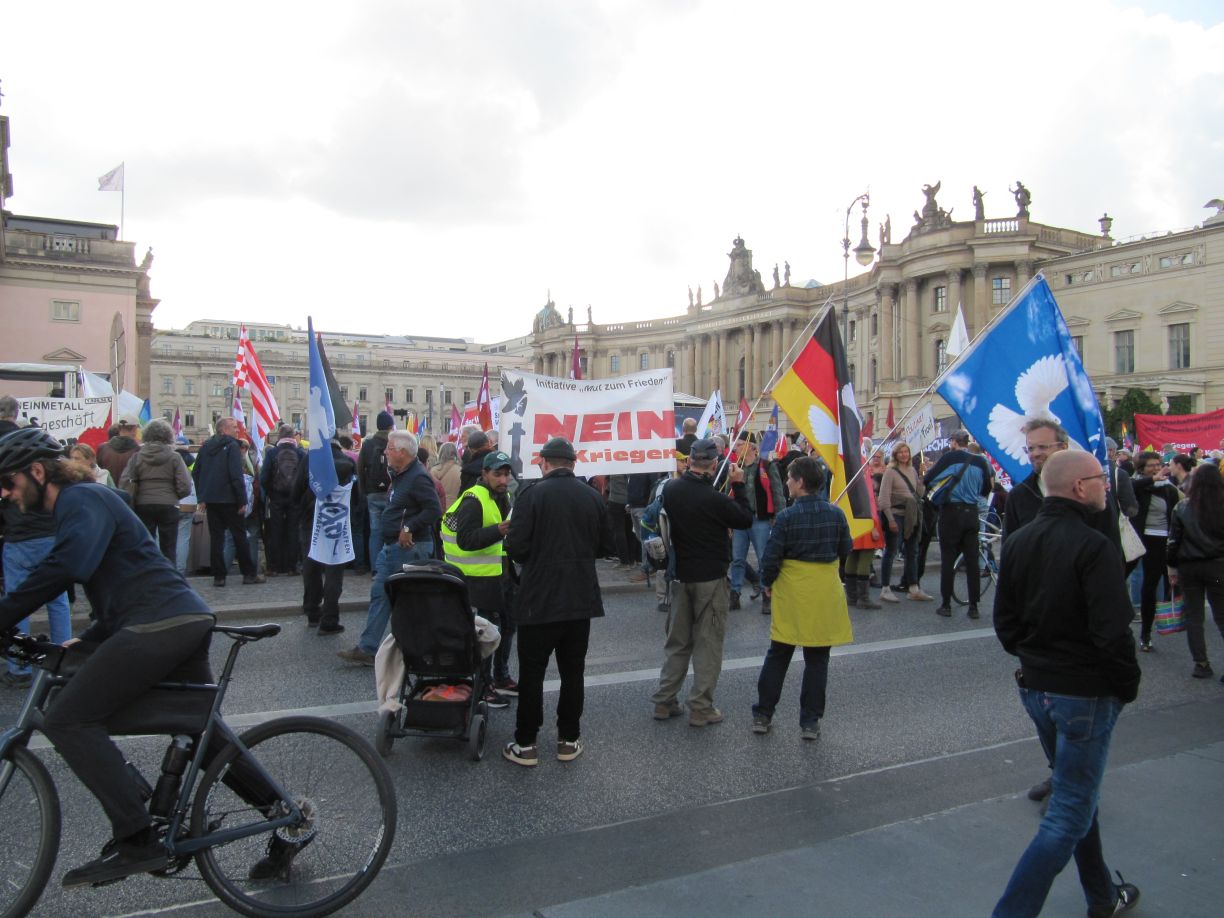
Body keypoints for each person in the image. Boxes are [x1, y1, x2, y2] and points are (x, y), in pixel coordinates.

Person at [0, 427, 305, 888]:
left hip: (159, 624)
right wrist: (86, 643)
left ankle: (136, 836)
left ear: (37, 472)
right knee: (199, 729)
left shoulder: (80, 500)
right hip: (173, 619)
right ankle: (286, 816)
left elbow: (68, 566)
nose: (4, 493)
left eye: (8, 482)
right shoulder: (87, 503)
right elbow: (127, 579)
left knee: (67, 720)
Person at [991, 449, 1141, 918]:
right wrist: (1125, 685)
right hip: (1084, 691)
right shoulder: (1094, 547)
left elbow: (1006, 624)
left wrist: (1035, 657)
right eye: (1099, 479)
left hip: (1037, 687)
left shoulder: (1018, 541)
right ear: (1079, 487)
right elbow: (1113, 632)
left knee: (1078, 796)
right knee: (1068, 813)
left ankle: (1101, 896)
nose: (1104, 486)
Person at [501, 437, 613, 766]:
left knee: (532, 674)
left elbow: (517, 548)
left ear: (546, 463)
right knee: (572, 672)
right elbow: (607, 546)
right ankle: (568, 739)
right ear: (573, 464)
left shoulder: (531, 495)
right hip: (579, 598)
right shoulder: (592, 496)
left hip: (538, 599)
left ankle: (526, 744)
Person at [650, 438, 753, 727]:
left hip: (680, 575)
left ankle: (664, 700)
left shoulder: (671, 490)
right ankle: (701, 707)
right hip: (710, 577)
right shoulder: (715, 499)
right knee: (707, 644)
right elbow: (745, 518)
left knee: (677, 642)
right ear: (715, 464)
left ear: (690, 461)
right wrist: (739, 485)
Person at [751, 457, 852, 740]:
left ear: (801, 483)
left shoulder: (786, 517)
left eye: (790, 478)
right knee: (818, 660)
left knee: (779, 654)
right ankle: (810, 721)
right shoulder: (836, 515)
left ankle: (763, 714)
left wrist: (766, 583)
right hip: (823, 592)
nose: (786, 482)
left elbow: (771, 557)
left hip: (793, 591)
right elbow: (846, 548)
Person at [339, 430, 440, 665]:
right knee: (381, 594)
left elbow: (433, 509)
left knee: (408, 600)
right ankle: (369, 647)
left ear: (403, 453)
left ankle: (421, 648)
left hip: (409, 547)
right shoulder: (402, 474)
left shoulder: (418, 477)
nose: (385, 452)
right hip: (394, 547)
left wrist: (409, 527)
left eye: (390, 449)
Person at [1, 407, 72, 689]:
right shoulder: (45, 479)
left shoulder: (15, 468)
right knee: (57, 602)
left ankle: (19, 668)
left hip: (19, 539)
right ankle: (63, 660)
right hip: (49, 536)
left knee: (20, 601)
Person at [443, 449, 517, 707]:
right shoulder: (473, 499)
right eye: (498, 474)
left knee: (508, 626)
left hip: (502, 575)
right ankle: (483, 686)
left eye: (507, 474)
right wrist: (499, 531)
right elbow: (466, 540)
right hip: (479, 580)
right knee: (487, 633)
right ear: (484, 474)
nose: (503, 480)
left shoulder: (502, 495)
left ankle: (502, 676)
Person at [923, 429, 992, 618]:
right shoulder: (981, 461)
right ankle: (974, 607)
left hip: (951, 512)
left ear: (954, 442)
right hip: (971, 512)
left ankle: (946, 605)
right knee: (971, 561)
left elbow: (928, 479)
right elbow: (986, 488)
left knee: (948, 559)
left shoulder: (950, 458)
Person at [292, 436, 356, 635]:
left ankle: (312, 611)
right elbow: (357, 496)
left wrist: (301, 509)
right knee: (334, 570)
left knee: (311, 566)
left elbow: (295, 491)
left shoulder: (311, 459)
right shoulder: (349, 463)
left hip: (312, 520)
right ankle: (330, 617)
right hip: (338, 520)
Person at [1167, 462, 1224, 681]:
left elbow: (1173, 541)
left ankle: (1201, 663)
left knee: (1193, 616)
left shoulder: (1182, 507)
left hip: (1189, 566)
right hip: (1218, 564)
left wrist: (1172, 567)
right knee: (1221, 614)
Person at [192, 418, 265, 587]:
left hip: (211, 499)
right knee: (240, 537)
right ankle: (249, 573)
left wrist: (202, 497)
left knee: (216, 539)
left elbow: (196, 472)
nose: (237, 430)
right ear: (223, 429)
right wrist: (242, 499)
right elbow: (235, 475)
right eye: (233, 427)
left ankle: (219, 576)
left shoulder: (206, 447)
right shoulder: (232, 446)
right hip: (230, 499)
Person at [119, 418, 194, 566]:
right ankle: (170, 581)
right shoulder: (175, 457)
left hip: (143, 504)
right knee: (169, 547)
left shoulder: (137, 457)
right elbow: (185, 485)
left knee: (146, 545)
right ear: (168, 436)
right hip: (169, 504)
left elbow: (124, 482)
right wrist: (174, 495)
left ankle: (148, 577)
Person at [728, 434, 784, 611]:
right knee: (737, 559)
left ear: (751, 447)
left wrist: (780, 517)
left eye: (740, 444)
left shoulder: (767, 465)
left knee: (763, 558)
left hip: (760, 519)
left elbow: (777, 492)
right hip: (739, 520)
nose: (736, 448)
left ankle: (767, 594)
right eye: (736, 445)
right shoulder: (736, 468)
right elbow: (730, 496)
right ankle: (735, 594)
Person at [1131, 450, 1181, 651]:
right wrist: (1152, 479)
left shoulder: (1168, 488)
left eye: (1158, 464)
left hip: (1167, 540)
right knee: (1150, 585)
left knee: (1173, 583)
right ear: (1141, 468)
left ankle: (1173, 620)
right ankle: (1145, 633)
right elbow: (1131, 486)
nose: (1156, 468)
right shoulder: (1138, 486)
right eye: (1151, 465)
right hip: (1148, 540)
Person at [877, 442, 931, 603]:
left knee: (912, 552)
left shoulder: (912, 470)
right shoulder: (890, 472)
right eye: (900, 452)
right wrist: (890, 519)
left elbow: (920, 494)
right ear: (895, 454)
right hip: (897, 515)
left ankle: (913, 587)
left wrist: (922, 477)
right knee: (891, 551)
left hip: (911, 515)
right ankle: (885, 588)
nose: (904, 455)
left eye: (906, 452)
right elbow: (883, 498)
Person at [260, 426, 306, 576]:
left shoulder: (272, 452)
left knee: (275, 531)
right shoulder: (300, 453)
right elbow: (306, 477)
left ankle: (273, 567)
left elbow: (264, 478)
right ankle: (293, 566)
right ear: (293, 436)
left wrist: (271, 493)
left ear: (279, 436)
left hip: (276, 497)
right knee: (294, 531)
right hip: (295, 498)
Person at [358, 411, 395, 577]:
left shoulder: (367, 444)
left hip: (372, 493)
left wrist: (365, 490)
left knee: (375, 532)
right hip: (391, 492)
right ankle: (390, 565)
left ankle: (375, 568)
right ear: (390, 426)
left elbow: (360, 469)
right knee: (392, 530)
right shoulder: (394, 442)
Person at [95, 415, 142, 485]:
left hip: (108, 492)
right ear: (134, 429)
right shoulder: (139, 451)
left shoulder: (102, 448)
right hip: (129, 493)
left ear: (119, 428)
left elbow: (97, 474)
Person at [431, 441, 463, 508]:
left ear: (441, 452)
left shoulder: (434, 470)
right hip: (456, 507)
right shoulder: (461, 470)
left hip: (439, 506)